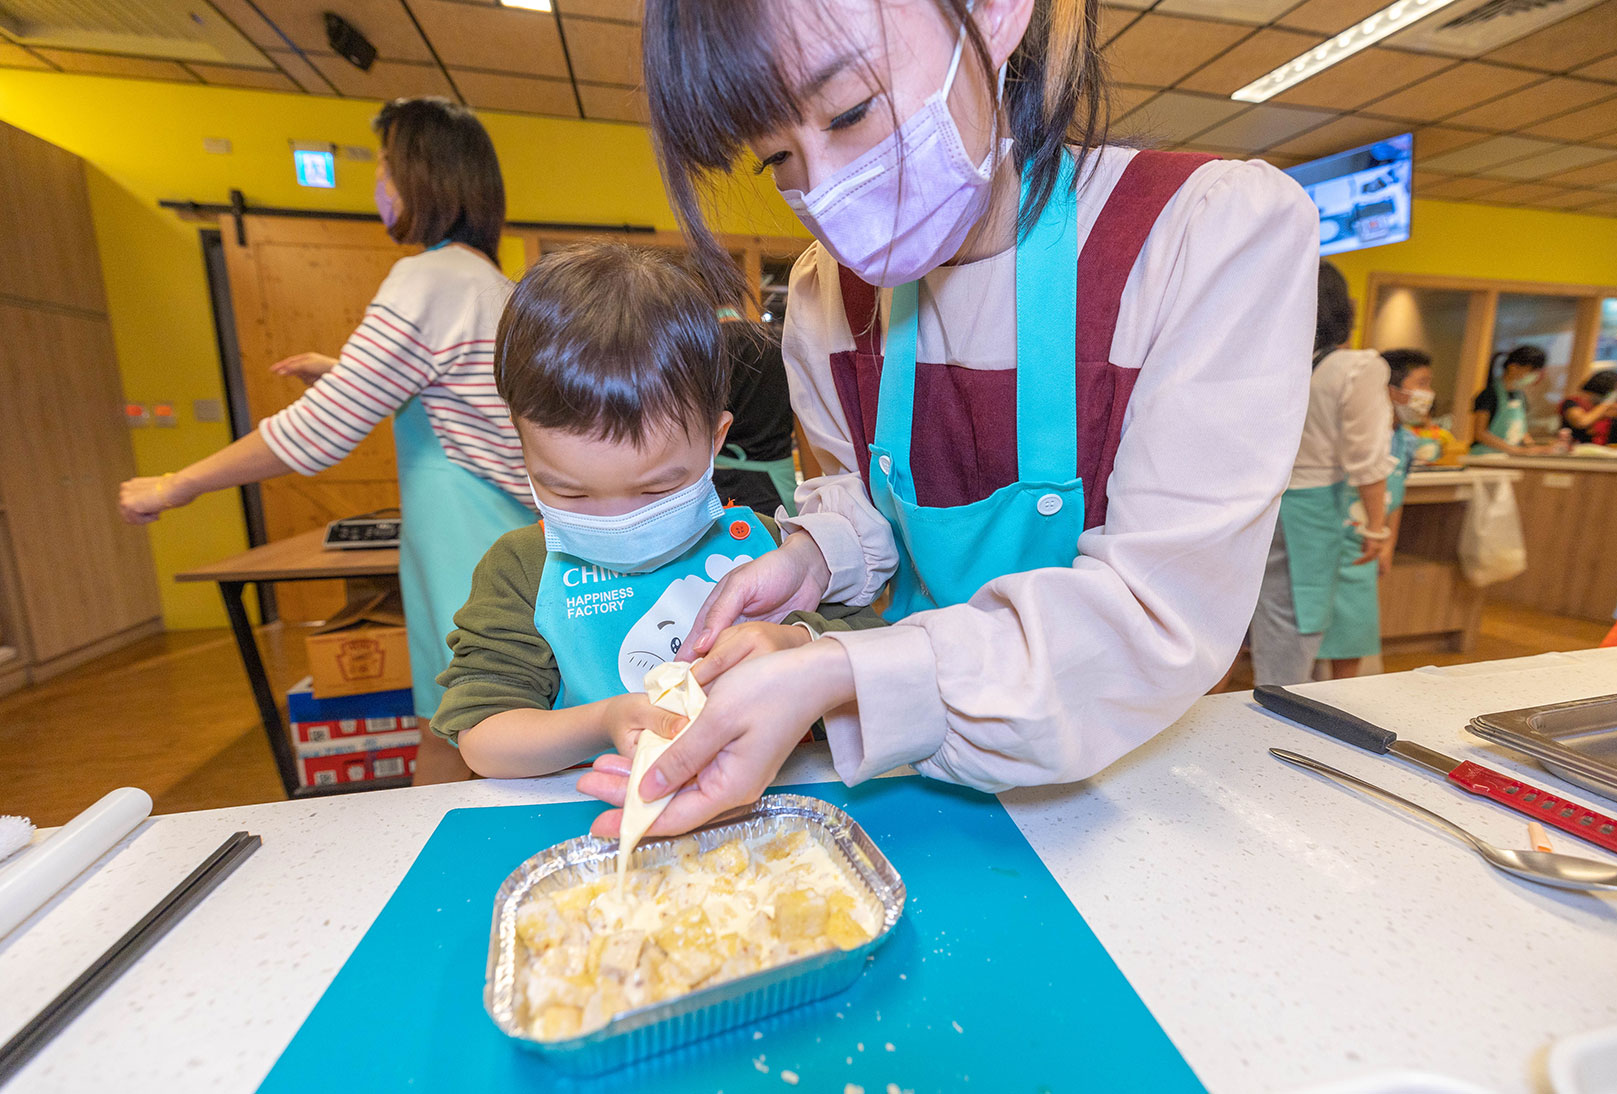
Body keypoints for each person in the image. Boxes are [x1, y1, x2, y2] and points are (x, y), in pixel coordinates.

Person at [574, 0, 1318, 838]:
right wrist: (815, 556)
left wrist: (837, 674)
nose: (824, 187)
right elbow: (868, 497)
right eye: (777, 158)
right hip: (919, 767)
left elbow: (1153, 617)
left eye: (851, 111)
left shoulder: (1204, 234)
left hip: (1135, 784)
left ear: (997, 13)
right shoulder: (828, 295)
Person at [116, 97, 529, 783]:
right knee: (480, 732)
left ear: (427, 179)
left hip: (467, 546)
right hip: (496, 538)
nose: (377, 186)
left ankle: (439, 880)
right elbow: (454, 392)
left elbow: (316, 433)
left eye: (383, 169)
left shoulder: (428, 278)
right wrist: (343, 371)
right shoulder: (489, 283)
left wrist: (176, 483)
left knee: (457, 737)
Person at [431, 244, 880, 777]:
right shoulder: (523, 572)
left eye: (653, 491)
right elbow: (482, 736)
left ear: (715, 441)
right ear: (526, 452)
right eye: (571, 493)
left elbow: (880, 662)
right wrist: (603, 722)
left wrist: (798, 645)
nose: (616, 519)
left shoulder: (769, 551)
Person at [1248, 262, 1393, 687]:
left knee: (1273, 625)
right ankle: (1275, 728)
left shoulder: (1267, 363)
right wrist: (1378, 527)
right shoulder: (1355, 368)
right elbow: (1367, 459)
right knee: (1296, 632)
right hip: (1312, 512)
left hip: (1264, 506)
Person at [1317, 348, 1424, 678]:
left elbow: (1395, 495)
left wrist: (1386, 542)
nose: (1425, 393)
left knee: (1352, 636)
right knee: (1307, 634)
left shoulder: (1405, 441)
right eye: (1421, 383)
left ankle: (1338, 702)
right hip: (1328, 537)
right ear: (1389, 388)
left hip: (1365, 546)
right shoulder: (1349, 430)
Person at [712, 315, 799, 516]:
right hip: (776, 485)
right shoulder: (777, 344)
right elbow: (803, 419)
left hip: (713, 482)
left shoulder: (702, 345)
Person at [1381, 348, 1456, 465]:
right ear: (1392, 391)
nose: (1430, 392)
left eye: (1429, 384)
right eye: (1422, 383)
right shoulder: (1366, 440)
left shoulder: (1406, 440)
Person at [1470, 345, 1548, 455]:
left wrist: (1533, 447)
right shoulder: (1489, 394)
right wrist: (1515, 450)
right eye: (1531, 371)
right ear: (1513, 367)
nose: (1533, 376)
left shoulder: (1520, 396)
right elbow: (1480, 433)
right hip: (1485, 455)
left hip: (1507, 457)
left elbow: (1520, 430)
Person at [1560, 370, 1617, 446]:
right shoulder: (1571, 402)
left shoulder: (1598, 407)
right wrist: (1607, 403)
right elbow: (1581, 422)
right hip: (1575, 450)